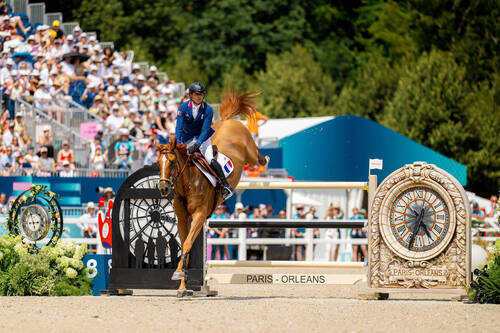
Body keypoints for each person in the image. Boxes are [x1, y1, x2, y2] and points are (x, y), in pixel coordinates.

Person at [175, 82, 233, 200]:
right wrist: (178, 142)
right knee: (175, 159)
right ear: (190, 95)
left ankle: (225, 185)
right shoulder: (183, 107)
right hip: (187, 138)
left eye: (201, 94)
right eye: (197, 94)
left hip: (203, 138)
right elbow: (179, 128)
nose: (199, 96)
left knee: (209, 159)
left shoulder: (208, 110)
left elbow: (205, 130)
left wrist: (197, 145)